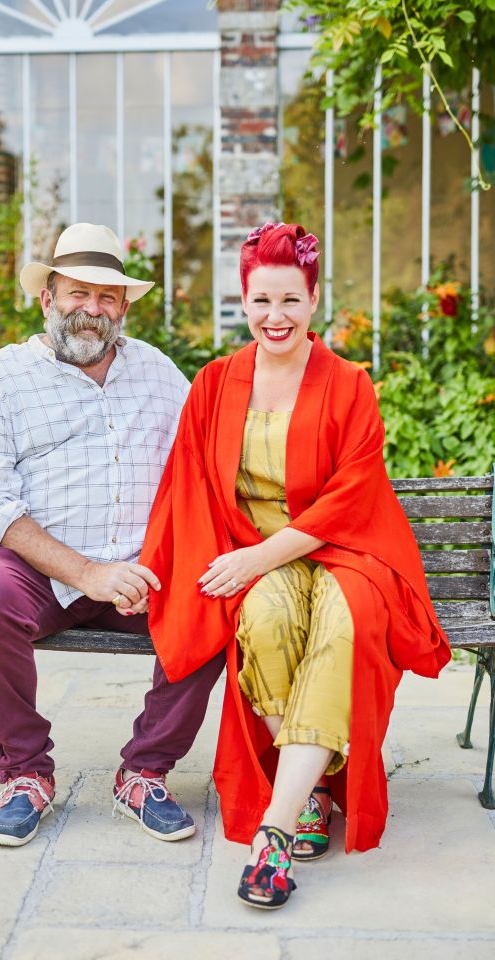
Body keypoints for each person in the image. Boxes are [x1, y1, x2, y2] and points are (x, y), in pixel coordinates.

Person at [124, 221, 451, 909]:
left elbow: (350, 499)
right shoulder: (215, 384)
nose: (276, 318)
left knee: (343, 627)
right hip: (259, 557)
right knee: (266, 620)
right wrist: (153, 570)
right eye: (261, 301)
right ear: (243, 301)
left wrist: (253, 559)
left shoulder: (350, 384)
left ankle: (276, 822)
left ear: (314, 300)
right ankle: (314, 787)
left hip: (349, 551)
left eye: (291, 301)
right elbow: (185, 483)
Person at [0, 222, 222, 847]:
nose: (91, 310)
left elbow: (197, 470)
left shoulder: (158, 373)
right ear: (47, 298)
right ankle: (24, 774)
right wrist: (88, 574)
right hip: (38, 573)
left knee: (214, 596)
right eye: (77, 293)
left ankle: (145, 771)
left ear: (123, 307)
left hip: (140, 572)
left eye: (106, 298)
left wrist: (164, 559)